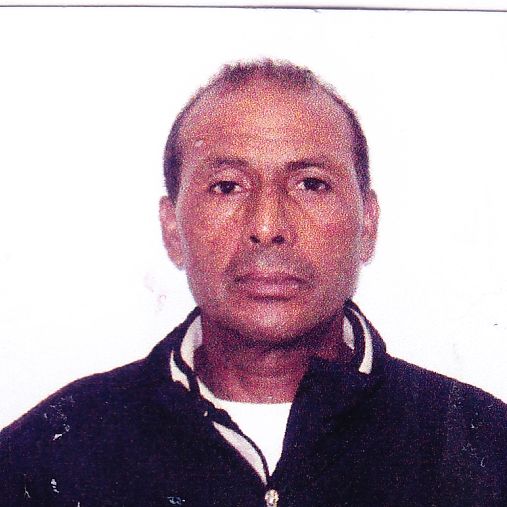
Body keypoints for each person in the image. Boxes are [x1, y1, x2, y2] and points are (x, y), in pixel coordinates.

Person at [1, 59, 506, 507]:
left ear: (367, 225)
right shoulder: (49, 453)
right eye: (227, 187)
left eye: (311, 184)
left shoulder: (481, 443)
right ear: (172, 229)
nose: (267, 225)